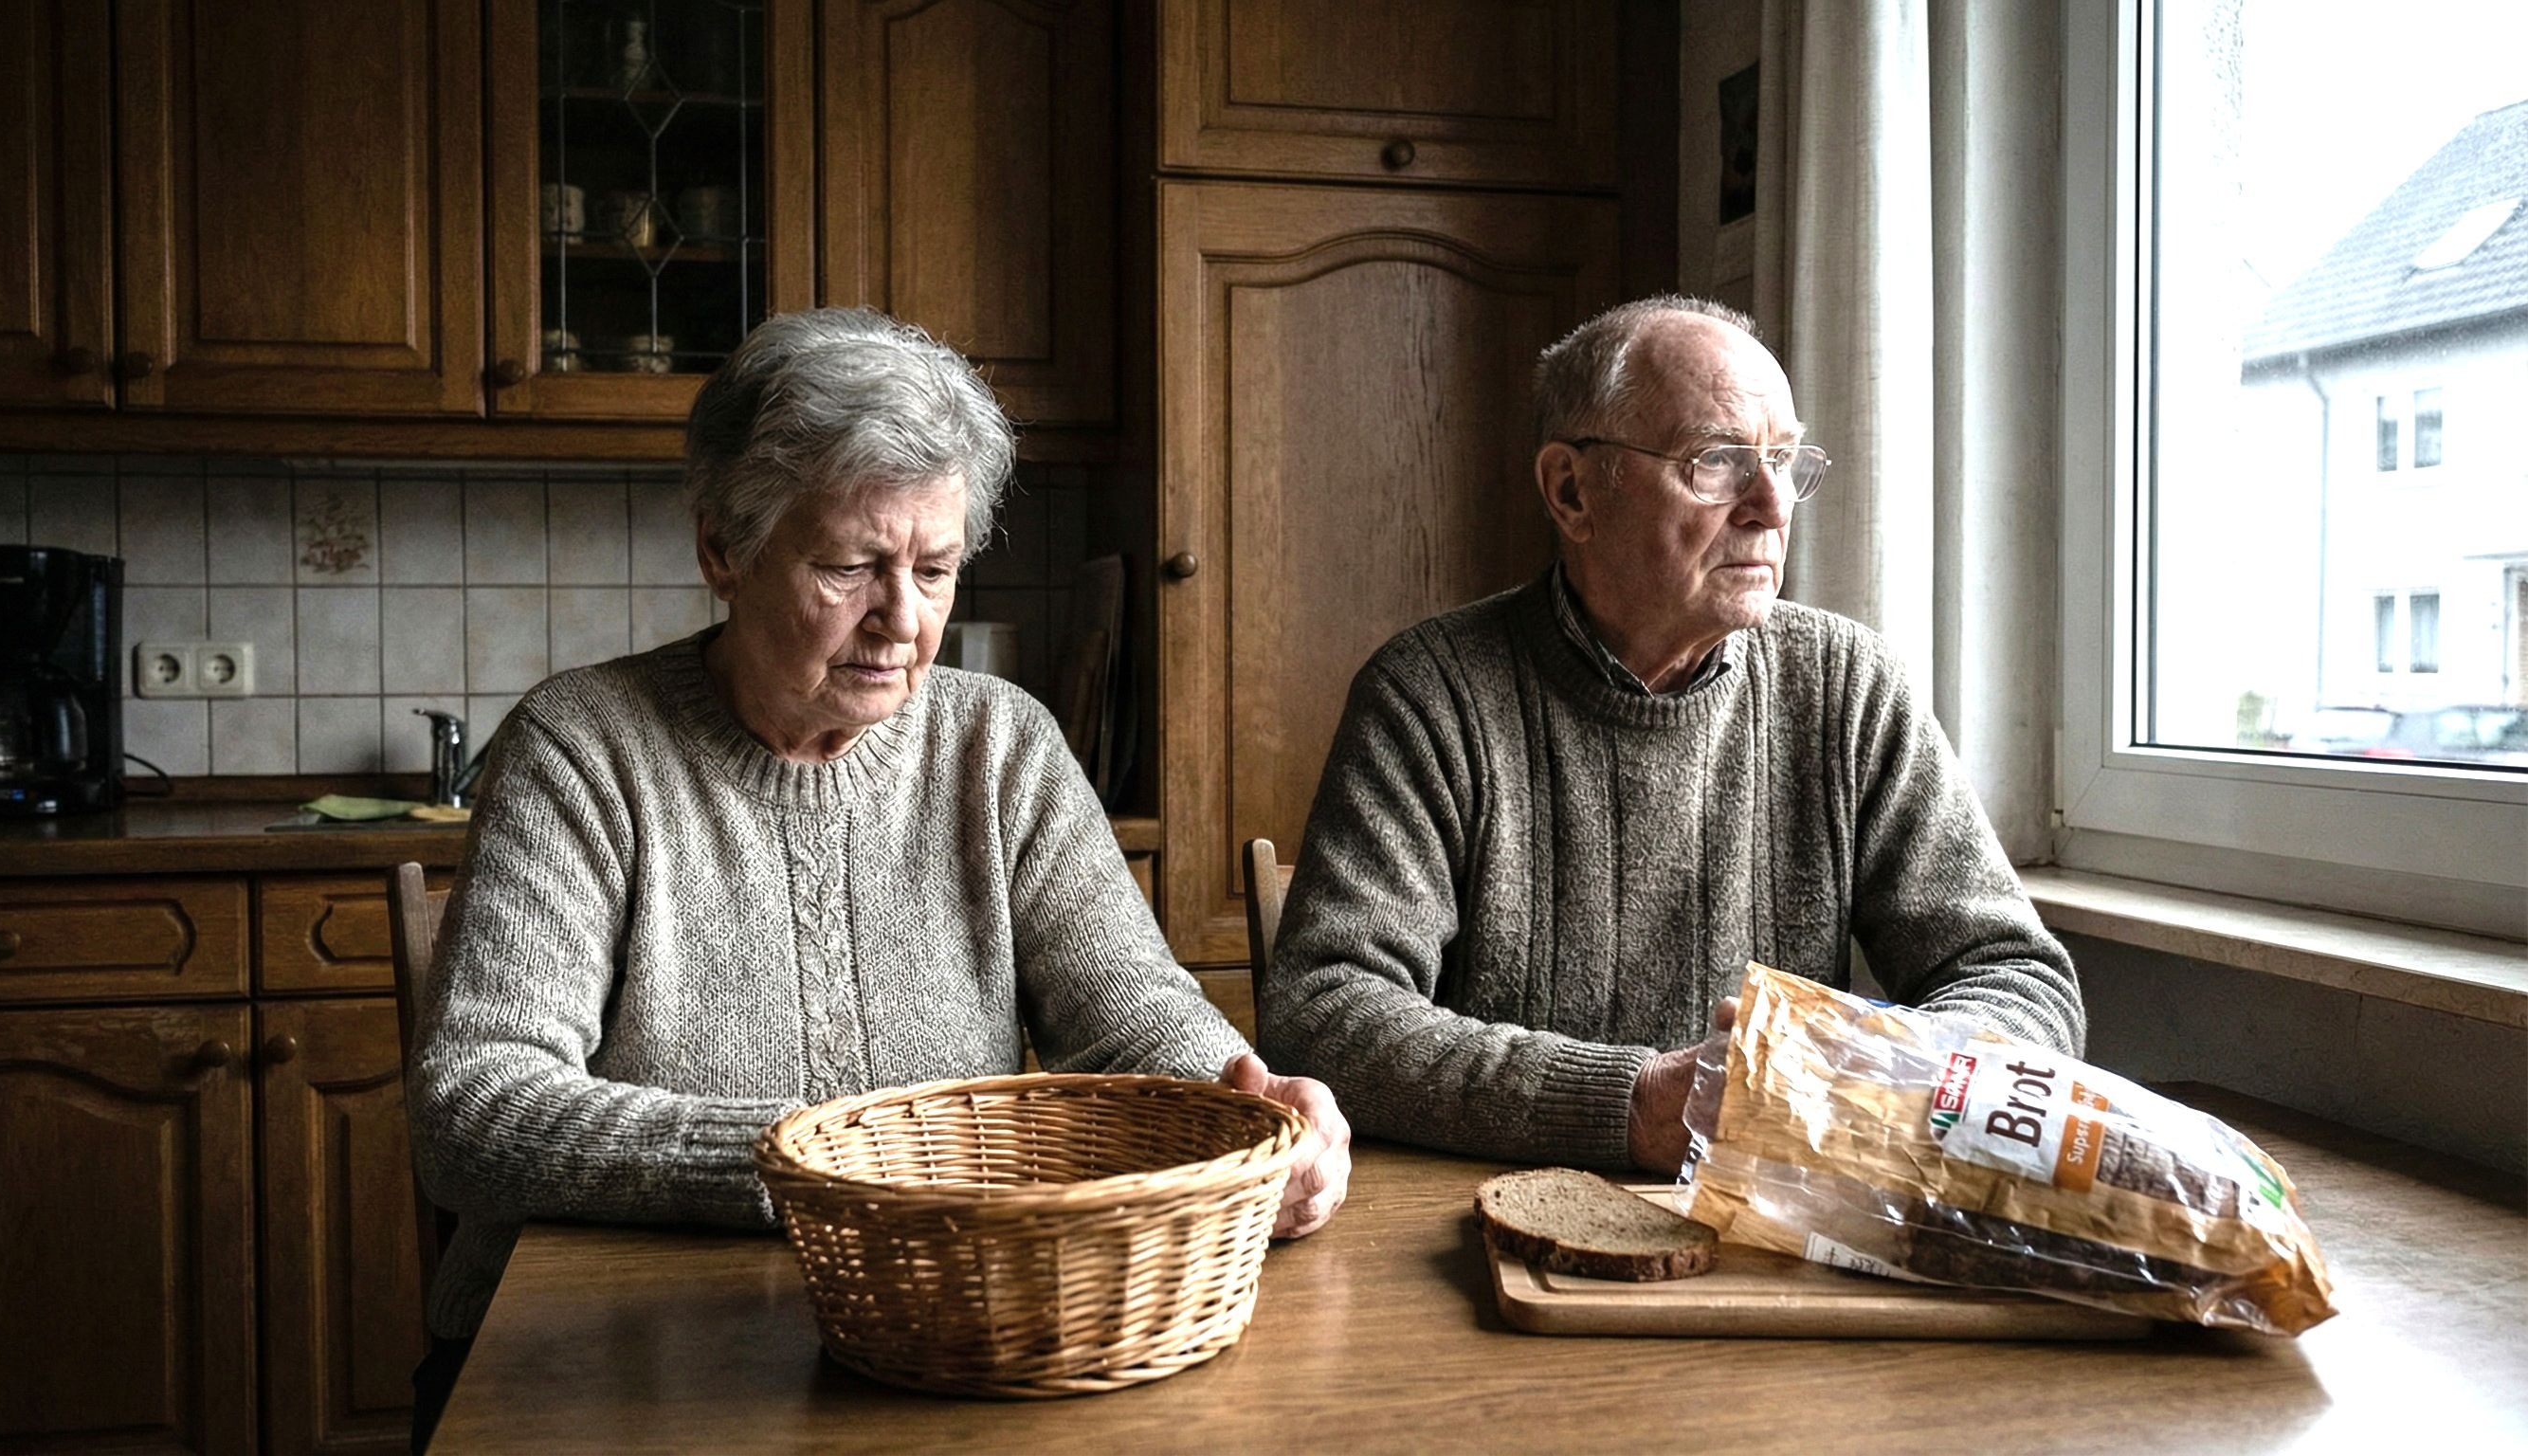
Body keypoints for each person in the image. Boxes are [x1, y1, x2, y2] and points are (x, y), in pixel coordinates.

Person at [406, 308, 1350, 1447]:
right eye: (849, 566)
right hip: (625, 1359)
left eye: (936, 569)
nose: (903, 622)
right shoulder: (584, 747)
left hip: (956, 1347)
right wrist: (815, 1171)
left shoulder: (1000, 745)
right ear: (723, 549)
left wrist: (1242, 1096)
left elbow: (1130, 1014)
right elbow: (473, 1109)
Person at [1256, 294, 2080, 1177]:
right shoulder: (1431, 695)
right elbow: (1322, 1013)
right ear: (1572, 492)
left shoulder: (1848, 687)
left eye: (1784, 459)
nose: (1772, 504)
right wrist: (1633, 1104)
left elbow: (2020, 980)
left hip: (1771, 1230)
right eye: (1718, 461)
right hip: (1480, 1222)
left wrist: (1867, 1069)